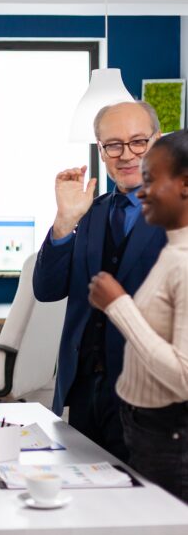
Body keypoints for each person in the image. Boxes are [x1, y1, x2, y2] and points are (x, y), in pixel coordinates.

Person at [33, 101, 166, 461]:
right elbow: (46, 290)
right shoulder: (89, 211)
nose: (127, 155)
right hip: (83, 391)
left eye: (138, 141)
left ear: (158, 142)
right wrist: (63, 222)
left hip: (150, 395)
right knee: (84, 500)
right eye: (113, 145)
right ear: (101, 151)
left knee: (145, 505)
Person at [89, 130, 188, 501]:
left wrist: (118, 305)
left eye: (150, 180)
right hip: (144, 428)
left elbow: (183, 378)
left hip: (169, 437)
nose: (141, 191)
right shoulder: (174, 249)